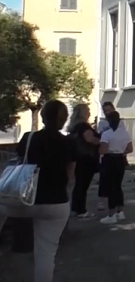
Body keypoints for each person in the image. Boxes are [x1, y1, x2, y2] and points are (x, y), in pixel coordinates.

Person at [0, 99, 76, 282]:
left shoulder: (29, 138)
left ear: (42, 117)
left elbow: (20, 162)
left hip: (23, 199)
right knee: (46, 253)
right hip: (56, 203)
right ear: (64, 119)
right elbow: (70, 176)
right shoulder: (69, 143)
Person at [66, 103, 100, 219]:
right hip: (86, 158)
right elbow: (89, 139)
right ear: (83, 113)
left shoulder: (75, 126)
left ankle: (76, 208)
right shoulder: (84, 126)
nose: (89, 112)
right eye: (87, 110)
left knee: (79, 185)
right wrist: (103, 140)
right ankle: (81, 210)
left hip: (78, 157)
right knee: (83, 185)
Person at [99, 111, 132, 225]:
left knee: (111, 187)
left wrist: (108, 149)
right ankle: (120, 212)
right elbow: (130, 149)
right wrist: (121, 151)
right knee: (118, 186)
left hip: (109, 160)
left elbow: (103, 150)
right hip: (120, 159)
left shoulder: (106, 134)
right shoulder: (125, 133)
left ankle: (111, 214)